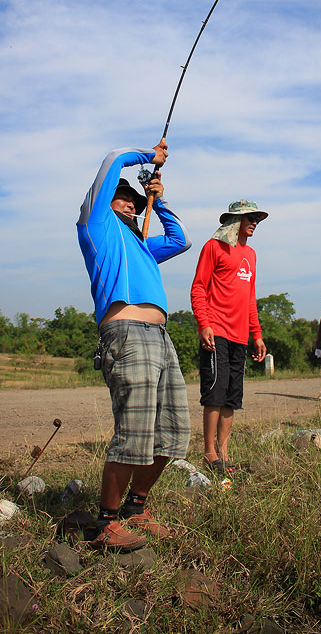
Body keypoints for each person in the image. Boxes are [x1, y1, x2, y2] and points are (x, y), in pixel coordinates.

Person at [77, 140, 191, 551]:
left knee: (173, 432)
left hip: (161, 339)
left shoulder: (142, 245)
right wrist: (150, 157)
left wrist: (158, 202)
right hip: (125, 334)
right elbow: (112, 159)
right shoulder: (96, 229)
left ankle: (136, 507)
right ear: (107, 203)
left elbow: (180, 240)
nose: (129, 206)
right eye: (123, 200)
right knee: (135, 431)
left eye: (133, 202)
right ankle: (106, 522)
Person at [190, 199, 268, 474]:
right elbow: (199, 288)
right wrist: (204, 324)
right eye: (250, 217)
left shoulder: (252, 255)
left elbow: (250, 299)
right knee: (215, 392)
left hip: (240, 336)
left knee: (233, 396)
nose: (255, 222)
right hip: (217, 331)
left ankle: (223, 454)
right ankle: (209, 453)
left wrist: (256, 334)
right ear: (235, 220)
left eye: (257, 218)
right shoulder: (214, 247)